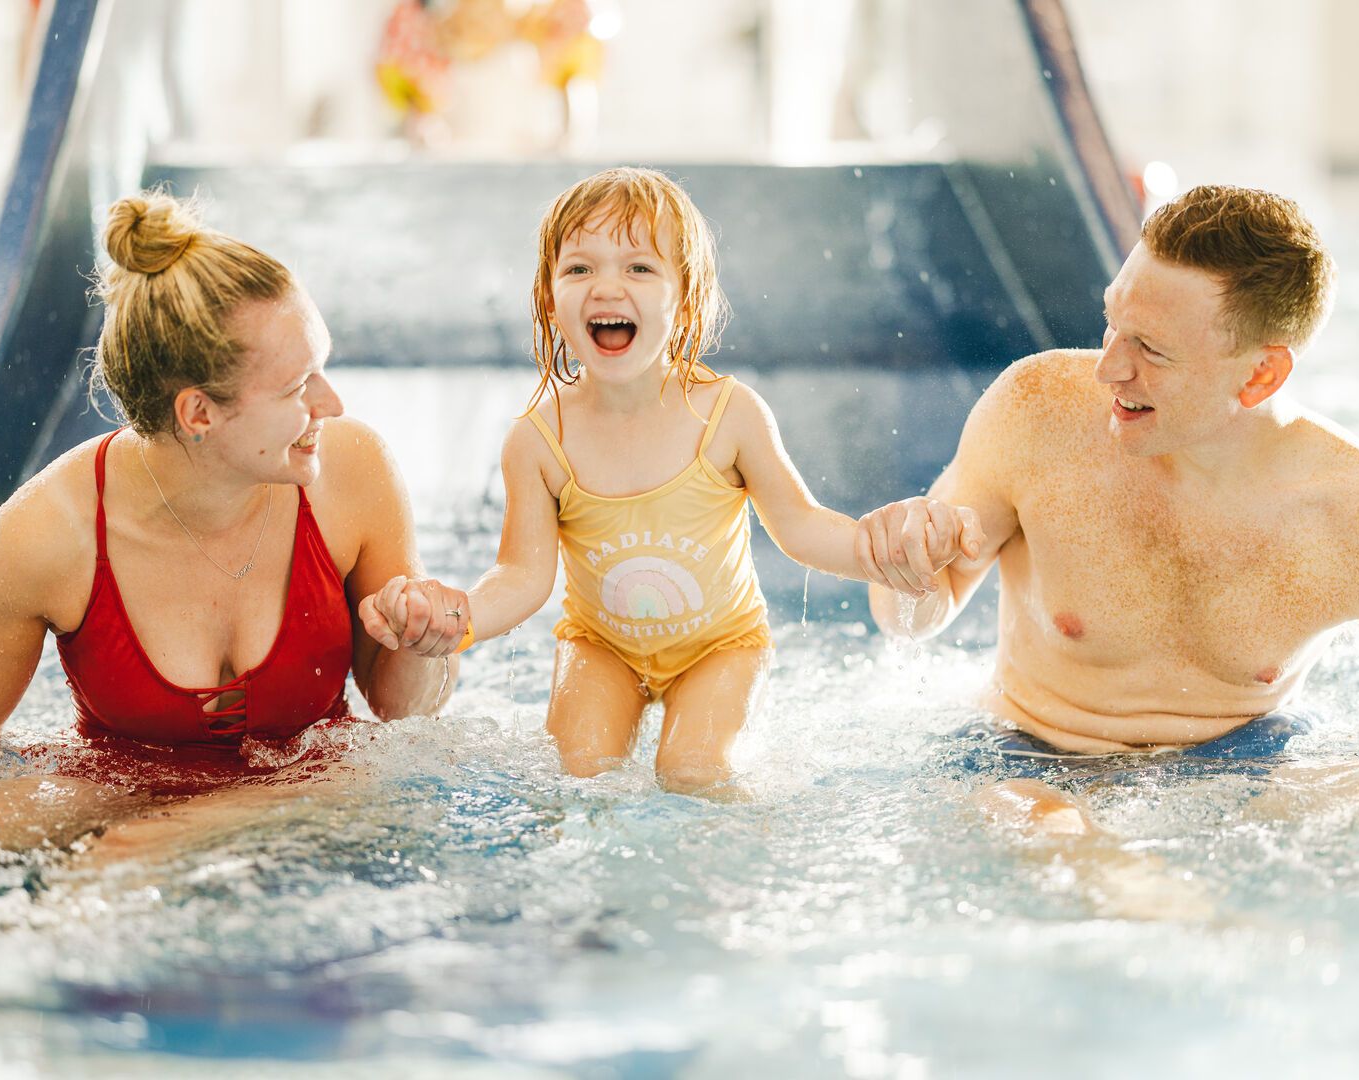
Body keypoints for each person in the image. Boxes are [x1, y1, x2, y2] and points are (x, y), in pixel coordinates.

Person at [861, 183, 1359, 833]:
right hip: (1022, 759)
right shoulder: (1034, 412)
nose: (1108, 369)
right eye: (1111, 321)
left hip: (1247, 768)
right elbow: (907, 620)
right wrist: (907, 567)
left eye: (1149, 349)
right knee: (1053, 828)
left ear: (1259, 375)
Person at [0, 190, 464, 853]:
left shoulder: (350, 472)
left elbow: (403, 717)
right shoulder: (47, 536)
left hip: (317, 786)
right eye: (299, 387)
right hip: (121, 785)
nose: (332, 402)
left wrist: (421, 645)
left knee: (125, 853)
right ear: (198, 414)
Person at [358, 166, 946, 795]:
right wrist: (461, 618)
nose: (606, 286)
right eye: (580, 269)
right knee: (577, 773)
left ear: (685, 298)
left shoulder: (728, 414)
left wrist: (877, 553)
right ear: (550, 300)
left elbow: (799, 526)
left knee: (693, 771)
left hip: (722, 646)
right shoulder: (538, 440)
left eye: (639, 268)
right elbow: (524, 574)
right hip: (600, 646)